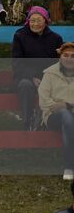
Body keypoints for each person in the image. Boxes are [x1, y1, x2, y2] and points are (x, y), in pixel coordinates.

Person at [14, 7, 62, 131]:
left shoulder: (56, 38)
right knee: (25, 85)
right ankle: (27, 120)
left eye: (39, 20)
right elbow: (17, 62)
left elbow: (58, 63)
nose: (35, 24)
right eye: (32, 20)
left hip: (49, 77)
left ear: (46, 21)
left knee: (51, 88)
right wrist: (32, 76)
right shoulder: (20, 36)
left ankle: (45, 121)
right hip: (27, 76)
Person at [40, 42, 74, 180]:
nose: (69, 58)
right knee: (66, 116)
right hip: (53, 116)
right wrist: (62, 107)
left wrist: (67, 105)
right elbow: (44, 100)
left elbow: (65, 106)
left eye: (73, 56)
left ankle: (69, 168)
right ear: (60, 56)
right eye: (66, 55)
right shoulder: (49, 73)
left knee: (68, 124)